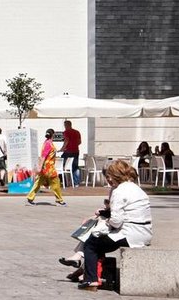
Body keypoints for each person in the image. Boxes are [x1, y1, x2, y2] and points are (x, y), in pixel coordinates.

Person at [67, 160, 152, 290]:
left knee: (91, 244)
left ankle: (91, 280)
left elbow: (117, 221)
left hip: (130, 234)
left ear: (112, 176)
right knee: (98, 241)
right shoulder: (136, 188)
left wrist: (106, 222)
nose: (108, 180)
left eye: (108, 177)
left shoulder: (119, 191)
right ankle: (94, 274)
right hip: (144, 232)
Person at [28, 128, 65, 206]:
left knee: (38, 183)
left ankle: (30, 198)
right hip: (49, 168)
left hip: (45, 168)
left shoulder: (47, 142)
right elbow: (43, 156)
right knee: (56, 183)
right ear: (53, 135)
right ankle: (59, 200)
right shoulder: (48, 144)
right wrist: (39, 167)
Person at [61, 120, 82, 188]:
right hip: (76, 151)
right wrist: (74, 145)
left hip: (68, 151)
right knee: (75, 167)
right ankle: (76, 183)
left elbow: (66, 141)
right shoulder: (77, 132)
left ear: (66, 125)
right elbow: (79, 142)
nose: (64, 127)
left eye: (65, 125)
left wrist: (62, 148)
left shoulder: (66, 132)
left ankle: (65, 181)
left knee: (62, 166)